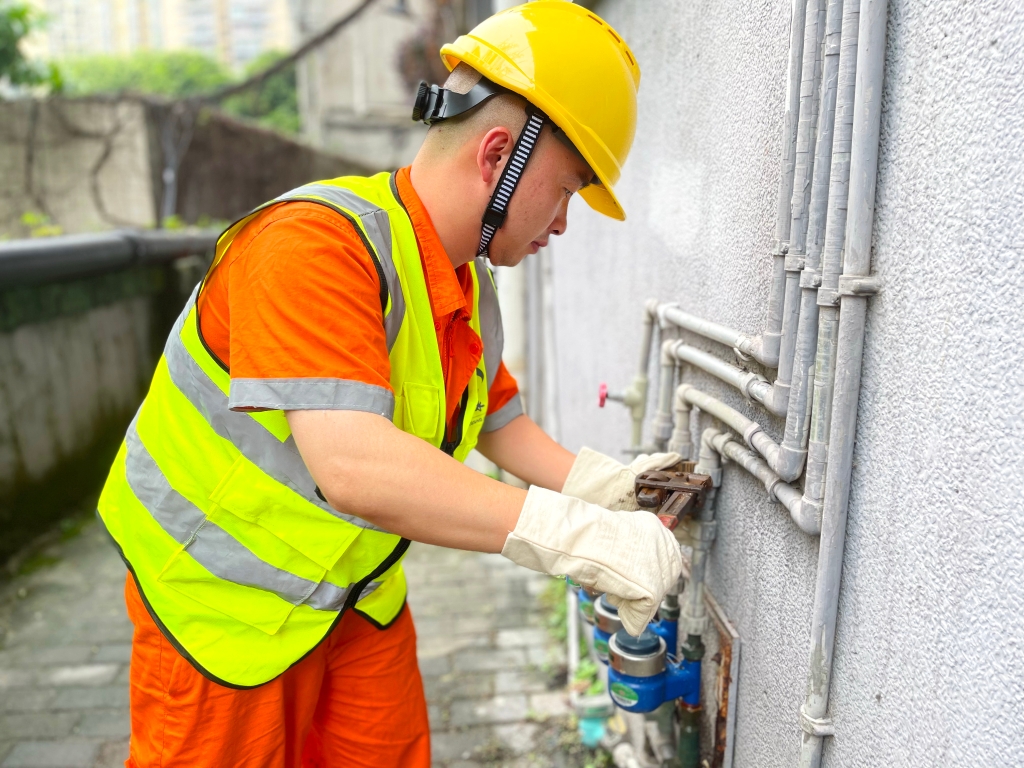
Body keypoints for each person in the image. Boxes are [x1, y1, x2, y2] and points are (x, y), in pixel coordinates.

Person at [97, 2, 683, 766]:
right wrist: (578, 539)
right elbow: (353, 466)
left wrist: (608, 487)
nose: (565, 223)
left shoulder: (465, 284)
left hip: (351, 599)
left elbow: (497, 422)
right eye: (568, 189)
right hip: (220, 616)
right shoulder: (312, 246)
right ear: (498, 154)